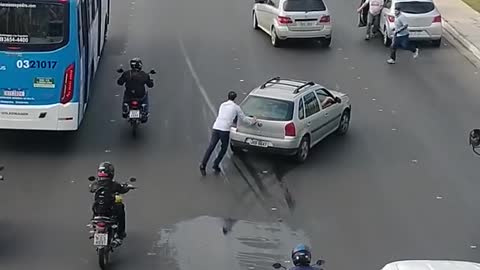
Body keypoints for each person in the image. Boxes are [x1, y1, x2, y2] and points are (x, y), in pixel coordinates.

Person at [199, 91, 256, 176]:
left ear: (228, 97)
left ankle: (203, 164)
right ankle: (216, 164)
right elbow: (243, 119)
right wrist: (252, 121)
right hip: (224, 130)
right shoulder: (236, 107)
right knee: (224, 148)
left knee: (211, 147)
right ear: (235, 98)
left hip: (216, 127)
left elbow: (224, 115)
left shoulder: (222, 105)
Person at [89, 162, 131, 240]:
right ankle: (120, 234)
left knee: (96, 205)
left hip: (97, 211)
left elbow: (91, 189)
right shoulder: (114, 184)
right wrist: (127, 187)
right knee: (121, 208)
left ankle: (94, 227)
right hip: (110, 210)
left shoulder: (95, 184)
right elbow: (123, 190)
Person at [117, 58, 153, 122]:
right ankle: (145, 112)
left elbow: (119, 83)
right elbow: (150, 85)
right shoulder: (144, 75)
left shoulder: (126, 73)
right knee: (145, 96)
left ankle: (125, 109)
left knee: (126, 95)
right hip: (140, 97)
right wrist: (150, 80)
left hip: (129, 96)